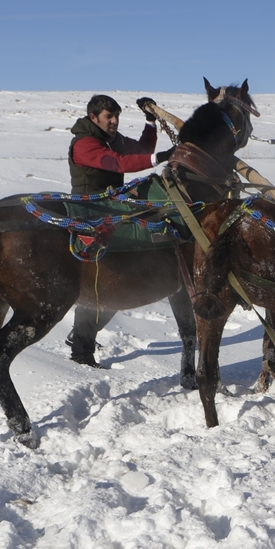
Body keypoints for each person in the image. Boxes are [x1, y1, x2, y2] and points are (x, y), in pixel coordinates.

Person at [66, 95, 174, 366]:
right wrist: (162, 157)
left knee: (120, 281)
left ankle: (83, 334)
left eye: (116, 117)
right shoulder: (84, 144)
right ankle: (81, 349)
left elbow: (138, 151)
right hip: (88, 212)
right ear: (94, 117)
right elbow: (119, 164)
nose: (114, 121)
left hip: (112, 209)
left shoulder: (111, 138)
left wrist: (150, 122)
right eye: (108, 117)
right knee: (100, 280)